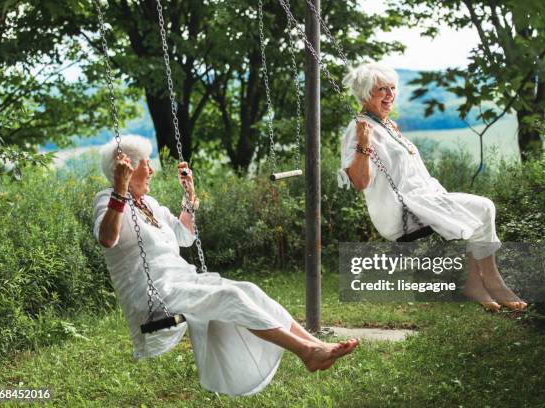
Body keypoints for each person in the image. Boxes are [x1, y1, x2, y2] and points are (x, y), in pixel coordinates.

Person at [93, 136, 359, 396]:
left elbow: (184, 236)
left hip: (183, 281)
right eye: (146, 164)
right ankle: (306, 352)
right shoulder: (107, 200)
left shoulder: (149, 204)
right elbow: (107, 238)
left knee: (249, 289)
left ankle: (316, 344)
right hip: (156, 296)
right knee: (230, 296)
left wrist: (189, 195)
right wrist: (119, 190)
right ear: (126, 169)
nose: (151, 169)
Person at [338, 62, 527, 312]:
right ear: (365, 94)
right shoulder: (359, 130)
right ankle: (492, 282)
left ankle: (475, 284)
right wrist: (364, 144)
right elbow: (360, 182)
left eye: (392, 88)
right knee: (483, 209)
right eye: (381, 89)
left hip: (423, 199)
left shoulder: (386, 126)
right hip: (401, 211)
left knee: (481, 214)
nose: (390, 94)